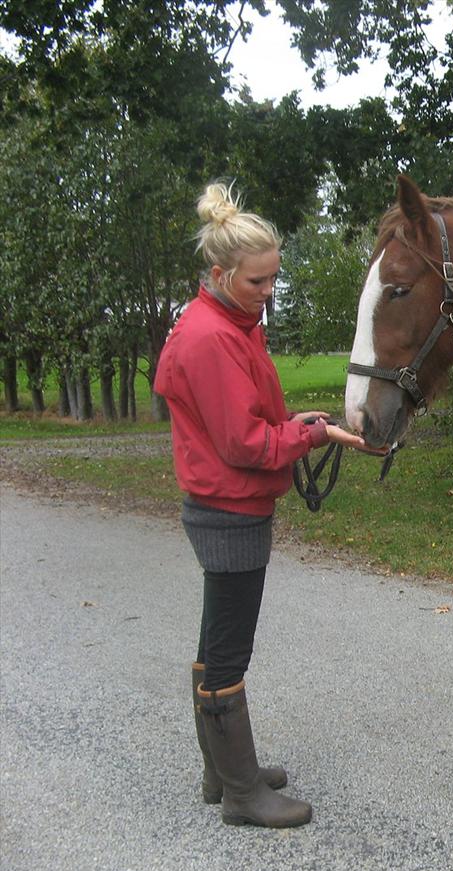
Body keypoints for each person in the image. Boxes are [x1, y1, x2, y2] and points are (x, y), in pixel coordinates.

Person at [154, 181, 372, 828]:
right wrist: (306, 434)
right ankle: (243, 794)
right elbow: (246, 442)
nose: (269, 291)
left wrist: (295, 420)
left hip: (224, 502)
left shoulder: (225, 323)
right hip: (229, 509)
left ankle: (224, 774)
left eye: (274, 278)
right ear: (220, 273)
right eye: (257, 281)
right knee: (228, 650)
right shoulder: (213, 338)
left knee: (217, 640)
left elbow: (247, 416)